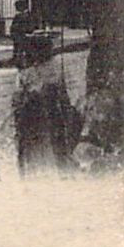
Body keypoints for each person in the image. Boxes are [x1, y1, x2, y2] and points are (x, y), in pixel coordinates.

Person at [14, 32, 77, 177]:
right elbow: (65, 97)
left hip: (38, 120)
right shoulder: (55, 71)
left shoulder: (25, 74)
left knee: (39, 152)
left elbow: (17, 102)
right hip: (49, 118)